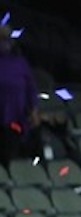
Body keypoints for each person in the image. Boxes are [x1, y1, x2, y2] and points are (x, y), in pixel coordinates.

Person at [0, 23, 39, 165]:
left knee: (13, 156)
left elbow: (31, 88)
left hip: (15, 119)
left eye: (6, 39)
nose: (4, 42)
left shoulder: (20, 62)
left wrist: (34, 110)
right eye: (1, 39)